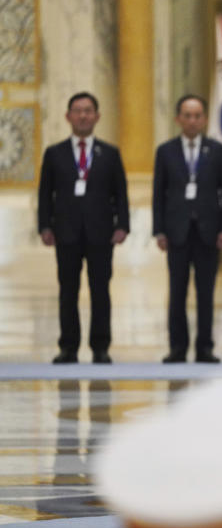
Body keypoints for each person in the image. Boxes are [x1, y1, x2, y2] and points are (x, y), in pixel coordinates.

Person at [38, 91, 130, 364]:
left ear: (97, 117)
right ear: (68, 117)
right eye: (77, 111)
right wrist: (45, 225)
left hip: (101, 232)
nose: (83, 116)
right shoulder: (54, 153)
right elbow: (45, 194)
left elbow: (121, 193)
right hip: (65, 232)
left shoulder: (110, 154)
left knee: (100, 289)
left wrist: (122, 224)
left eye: (88, 111)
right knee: (68, 290)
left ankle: (100, 346)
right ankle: (68, 347)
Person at [152, 94, 222, 363]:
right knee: (177, 293)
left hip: (208, 232)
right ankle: (177, 348)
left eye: (197, 115)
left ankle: (205, 348)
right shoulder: (166, 151)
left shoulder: (218, 151)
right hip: (176, 232)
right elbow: (158, 193)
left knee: (206, 293)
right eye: (187, 115)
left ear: (205, 119)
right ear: (178, 119)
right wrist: (159, 230)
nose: (192, 120)